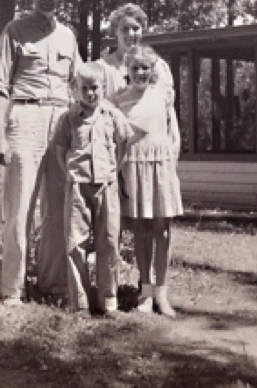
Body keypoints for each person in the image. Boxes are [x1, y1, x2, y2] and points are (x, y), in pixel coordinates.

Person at [0, 0, 81, 306]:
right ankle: (12, 290)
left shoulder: (68, 36)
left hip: (60, 120)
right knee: (20, 207)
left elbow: (79, 85)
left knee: (58, 207)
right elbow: (0, 87)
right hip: (24, 116)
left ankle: (53, 285)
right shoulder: (15, 30)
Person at [52, 62, 133, 315]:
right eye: (84, 88)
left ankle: (108, 300)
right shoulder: (69, 118)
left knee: (108, 241)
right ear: (76, 89)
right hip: (78, 186)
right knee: (76, 243)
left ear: (103, 88)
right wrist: (71, 175)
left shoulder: (113, 116)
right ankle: (81, 303)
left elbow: (124, 146)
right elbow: (60, 151)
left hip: (106, 185)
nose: (90, 93)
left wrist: (113, 171)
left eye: (94, 88)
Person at [113, 45, 183, 318]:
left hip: (161, 163)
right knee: (141, 229)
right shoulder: (119, 100)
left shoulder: (163, 95)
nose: (141, 73)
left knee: (162, 229)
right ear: (127, 71)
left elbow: (173, 132)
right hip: (134, 165)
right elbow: (118, 139)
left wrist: (172, 159)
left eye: (146, 68)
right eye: (135, 68)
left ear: (153, 70)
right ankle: (145, 291)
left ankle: (162, 293)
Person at [98, 3, 173, 99]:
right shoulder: (103, 68)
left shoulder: (157, 66)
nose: (130, 34)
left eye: (135, 28)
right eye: (125, 29)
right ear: (116, 30)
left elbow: (167, 105)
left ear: (142, 30)